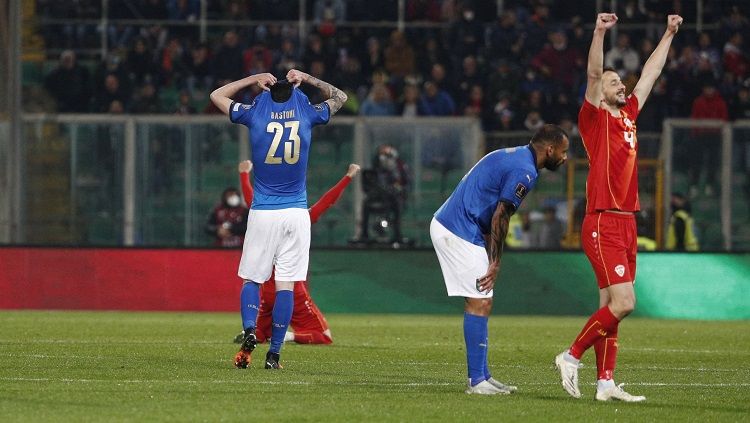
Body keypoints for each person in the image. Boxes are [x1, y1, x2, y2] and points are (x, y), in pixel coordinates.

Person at [554, 13, 683, 402]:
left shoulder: (629, 115)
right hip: (603, 221)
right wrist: (597, 32)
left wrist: (669, 34)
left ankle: (605, 382)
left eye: (620, 81)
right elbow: (594, 75)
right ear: (602, 92)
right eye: (615, 82)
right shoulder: (593, 120)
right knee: (625, 303)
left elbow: (650, 73)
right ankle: (570, 355)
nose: (621, 84)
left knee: (609, 305)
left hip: (626, 221)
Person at [210, 68, 347, 370]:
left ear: (267, 92)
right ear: (294, 91)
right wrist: (308, 78)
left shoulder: (255, 113)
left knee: (253, 279)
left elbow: (216, 96)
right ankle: (274, 355)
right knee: (286, 285)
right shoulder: (307, 113)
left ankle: (250, 331)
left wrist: (252, 78)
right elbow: (341, 97)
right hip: (296, 213)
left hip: (263, 212)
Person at [431, 124, 569, 395]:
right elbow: (500, 215)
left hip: (460, 224)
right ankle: (476, 381)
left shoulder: (516, 155)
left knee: (484, 299)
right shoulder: (525, 170)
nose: (565, 158)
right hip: (458, 228)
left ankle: (483, 375)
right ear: (549, 149)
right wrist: (495, 261)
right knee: (479, 300)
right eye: (563, 152)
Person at [233, 160, 361, 345]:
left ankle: (253, 332)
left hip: (266, 289)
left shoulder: (264, 216)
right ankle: (285, 337)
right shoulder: (301, 218)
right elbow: (327, 201)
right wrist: (348, 177)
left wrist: (244, 174)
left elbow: (249, 199)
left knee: (260, 330)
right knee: (324, 336)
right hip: (290, 291)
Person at [356, 144, 409, 245]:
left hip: (391, 199)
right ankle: (364, 234)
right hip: (377, 197)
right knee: (366, 204)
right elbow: (368, 187)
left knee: (397, 204)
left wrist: (395, 189)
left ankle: (397, 235)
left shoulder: (397, 171)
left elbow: (401, 186)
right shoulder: (373, 171)